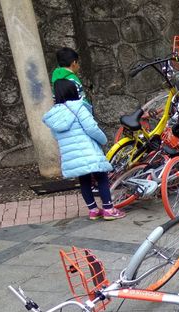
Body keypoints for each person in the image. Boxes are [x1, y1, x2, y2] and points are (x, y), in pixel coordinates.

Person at [42, 79, 126, 220]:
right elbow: (91, 128)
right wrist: (103, 140)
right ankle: (108, 209)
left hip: (71, 155)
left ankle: (93, 210)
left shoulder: (54, 115)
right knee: (102, 177)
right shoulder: (78, 107)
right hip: (88, 150)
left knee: (84, 180)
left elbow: (56, 136)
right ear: (73, 91)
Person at [51, 47, 92, 112]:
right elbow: (82, 99)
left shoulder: (55, 78)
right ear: (74, 63)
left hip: (63, 114)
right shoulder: (73, 79)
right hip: (78, 113)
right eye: (78, 63)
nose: (78, 66)